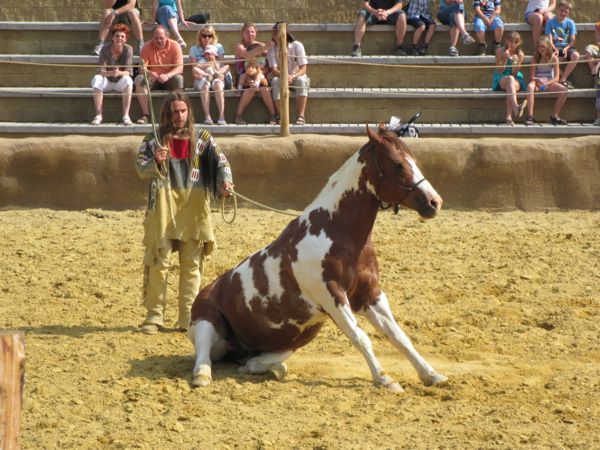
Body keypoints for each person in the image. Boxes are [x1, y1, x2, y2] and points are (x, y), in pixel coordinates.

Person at [135, 91, 234, 334]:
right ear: (167, 114)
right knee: (160, 262)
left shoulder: (203, 138)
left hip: (194, 205)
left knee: (191, 265)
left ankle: (187, 318)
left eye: (182, 111)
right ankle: (154, 317)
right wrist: (155, 161)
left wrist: (225, 182)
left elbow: (221, 162)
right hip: (164, 207)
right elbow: (140, 168)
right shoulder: (153, 139)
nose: (179, 116)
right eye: (174, 112)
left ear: (189, 111)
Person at [134, 25, 184, 124]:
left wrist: (168, 75)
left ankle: (177, 114)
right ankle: (146, 115)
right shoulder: (146, 47)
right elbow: (141, 68)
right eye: (156, 38)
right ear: (152, 37)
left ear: (167, 37)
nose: (159, 41)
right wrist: (149, 73)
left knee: (179, 79)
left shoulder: (175, 46)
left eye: (161, 38)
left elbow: (180, 68)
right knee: (140, 79)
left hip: (169, 77)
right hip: (153, 78)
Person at [233, 23, 278, 125]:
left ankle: (273, 116)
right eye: (247, 32)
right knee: (251, 88)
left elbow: (268, 65)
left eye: (252, 31)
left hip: (259, 76)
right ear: (242, 33)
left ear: (256, 33)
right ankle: (238, 115)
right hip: (242, 76)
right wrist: (266, 46)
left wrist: (260, 72)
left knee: (264, 88)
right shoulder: (239, 46)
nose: (250, 34)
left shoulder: (260, 45)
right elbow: (247, 55)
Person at [91, 23, 134, 125]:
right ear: (112, 38)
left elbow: (128, 71)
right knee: (96, 78)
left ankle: (126, 116)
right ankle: (98, 115)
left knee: (128, 80)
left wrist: (118, 73)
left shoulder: (128, 49)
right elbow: (101, 71)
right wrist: (112, 72)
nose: (119, 38)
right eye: (117, 36)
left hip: (120, 82)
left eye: (122, 36)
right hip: (107, 82)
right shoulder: (105, 49)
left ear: (126, 39)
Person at [267, 22, 310, 125]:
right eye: (275, 33)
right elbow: (273, 70)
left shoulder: (297, 45)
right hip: (281, 77)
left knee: (301, 80)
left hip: (296, 76)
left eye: (277, 33)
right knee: (275, 81)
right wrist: (285, 77)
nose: (274, 35)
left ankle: (301, 116)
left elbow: (303, 68)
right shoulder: (272, 49)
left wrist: (293, 76)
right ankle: (283, 117)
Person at [524, 35, 568, 125]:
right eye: (539, 47)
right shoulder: (535, 58)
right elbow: (532, 77)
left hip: (549, 83)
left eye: (543, 46)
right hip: (537, 83)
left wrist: (546, 83)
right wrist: (538, 81)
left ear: (548, 46)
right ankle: (530, 116)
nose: (541, 49)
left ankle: (554, 116)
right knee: (529, 87)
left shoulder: (554, 58)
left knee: (564, 90)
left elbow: (556, 78)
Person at [492, 31, 526, 125]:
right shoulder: (499, 51)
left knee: (510, 85)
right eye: (511, 42)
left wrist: (515, 62)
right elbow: (499, 70)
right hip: (501, 77)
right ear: (507, 41)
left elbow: (514, 74)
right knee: (510, 80)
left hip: (515, 78)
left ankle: (509, 117)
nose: (513, 44)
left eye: (516, 42)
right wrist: (505, 59)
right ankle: (516, 107)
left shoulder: (520, 54)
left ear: (519, 43)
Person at [544, 0, 579, 89]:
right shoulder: (550, 22)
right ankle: (560, 75)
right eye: (561, 10)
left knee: (576, 55)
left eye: (566, 12)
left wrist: (566, 48)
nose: (563, 13)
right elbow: (549, 39)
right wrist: (554, 49)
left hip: (566, 47)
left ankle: (563, 79)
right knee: (548, 56)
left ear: (568, 13)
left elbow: (572, 40)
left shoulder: (570, 23)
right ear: (557, 10)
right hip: (554, 46)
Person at [191, 45, 229, 125]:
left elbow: (223, 70)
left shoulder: (218, 62)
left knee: (218, 82)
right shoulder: (202, 60)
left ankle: (221, 115)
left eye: (209, 54)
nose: (207, 55)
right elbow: (196, 67)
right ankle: (207, 116)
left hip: (215, 79)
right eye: (206, 54)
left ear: (215, 54)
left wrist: (214, 65)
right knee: (204, 83)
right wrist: (207, 65)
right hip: (205, 78)